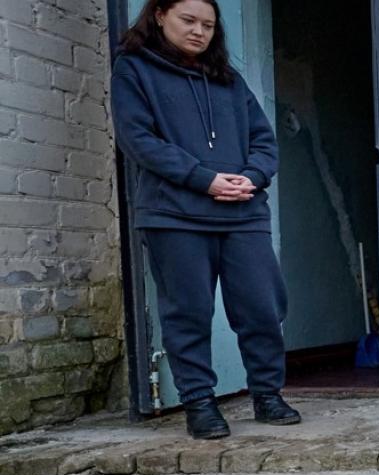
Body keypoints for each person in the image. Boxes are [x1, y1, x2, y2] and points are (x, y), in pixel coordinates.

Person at [112, 0, 300, 439]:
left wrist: (250, 177)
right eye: (188, 21)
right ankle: (200, 402)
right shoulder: (133, 70)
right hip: (174, 215)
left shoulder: (228, 79)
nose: (199, 32)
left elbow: (263, 139)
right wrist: (205, 179)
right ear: (159, 15)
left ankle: (267, 394)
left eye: (208, 25)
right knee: (188, 312)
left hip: (242, 211)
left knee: (262, 306)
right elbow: (138, 140)